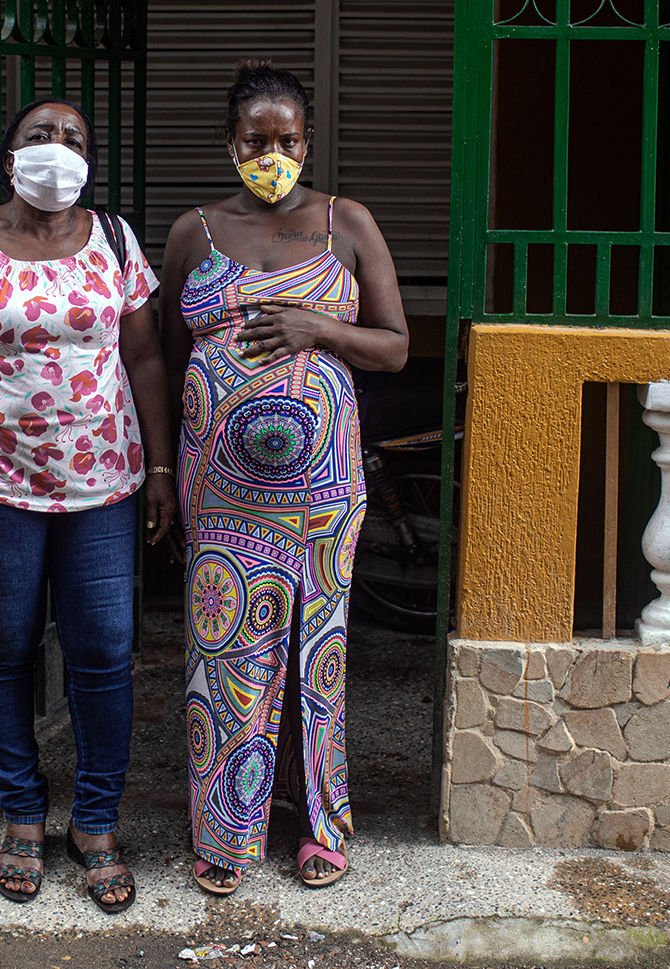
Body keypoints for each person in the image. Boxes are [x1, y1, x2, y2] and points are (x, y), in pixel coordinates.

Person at [0, 98, 176, 914]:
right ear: (8, 155)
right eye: (39, 137)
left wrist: (159, 467)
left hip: (103, 488)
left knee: (103, 651)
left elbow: (148, 359)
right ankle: (23, 816)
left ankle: (95, 824)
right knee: (4, 647)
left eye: (74, 140)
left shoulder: (116, 241)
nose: (57, 151)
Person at [158, 60, 409, 895]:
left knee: (316, 650)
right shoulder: (194, 232)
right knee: (227, 647)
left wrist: (314, 328)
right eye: (257, 139)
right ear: (229, 143)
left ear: (308, 141)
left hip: (322, 493)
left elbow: (396, 346)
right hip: (219, 492)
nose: (274, 153)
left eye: (288, 139)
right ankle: (226, 833)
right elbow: (162, 352)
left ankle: (318, 825)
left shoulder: (348, 224)